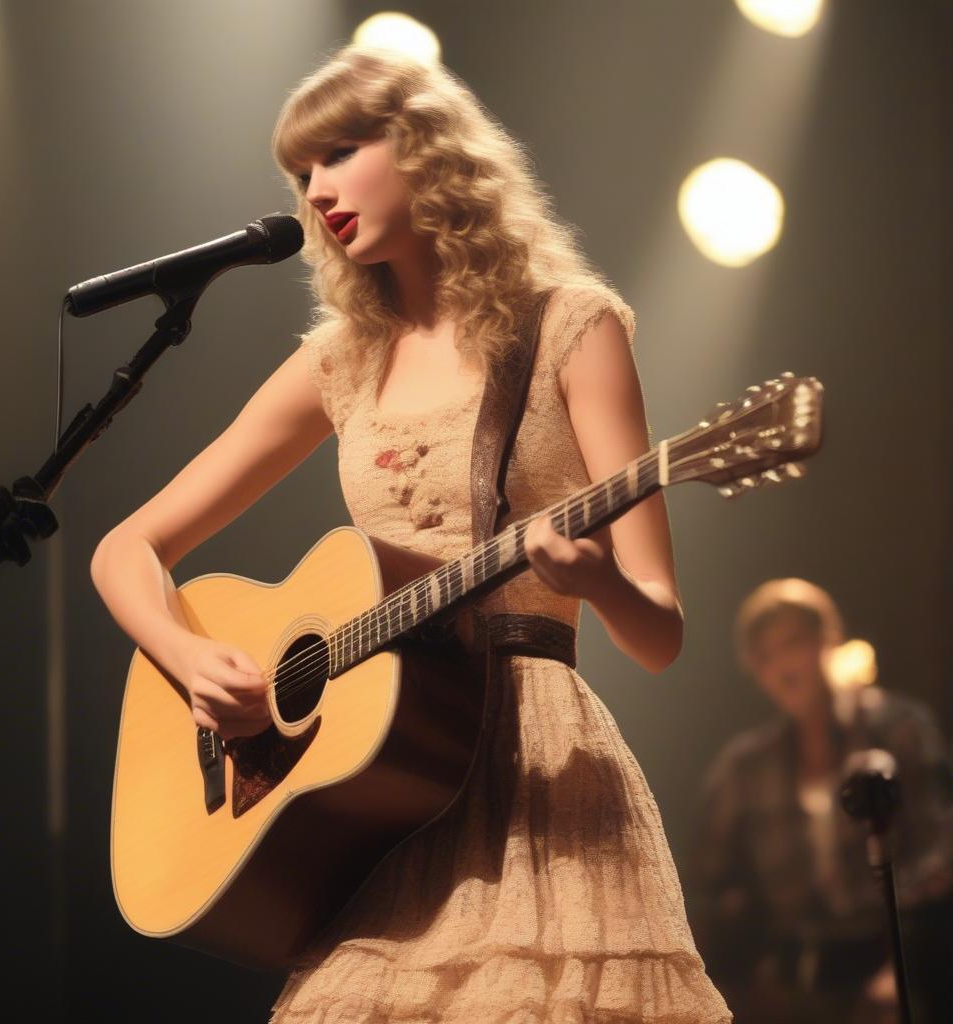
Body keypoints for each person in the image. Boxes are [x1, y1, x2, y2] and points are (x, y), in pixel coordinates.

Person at [91, 45, 730, 1023]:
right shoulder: (338, 364)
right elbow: (125, 547)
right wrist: (187, 657)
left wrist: (596, 583)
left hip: (535, 777)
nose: (318, 192)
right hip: (380, 784)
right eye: (301, 175)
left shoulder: (572, 327)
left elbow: (660, 632)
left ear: (430, 150)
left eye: (340, 153)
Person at [689, 578, 953, 1024]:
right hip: (795, 985)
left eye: (793, 643)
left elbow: (940, 855)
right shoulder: (744, 768)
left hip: (901, 969)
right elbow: (710, 888)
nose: (782, 666)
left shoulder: (898, 730)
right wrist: (743, 980)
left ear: (828, 640)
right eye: (765, 656)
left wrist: (899, 969)